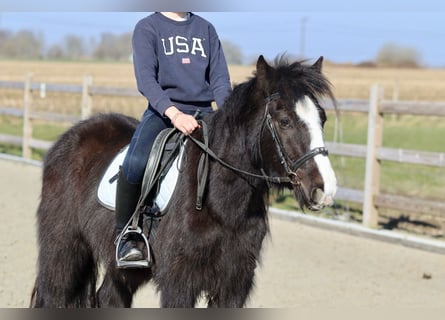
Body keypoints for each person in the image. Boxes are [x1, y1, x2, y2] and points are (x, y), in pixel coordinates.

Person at [115, 12, 232, 266]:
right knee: (135, 162)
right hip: (164, 112)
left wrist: (227, 115)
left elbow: (220, 80)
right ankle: (127, 234)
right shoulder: (148, 27)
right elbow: (146, 80)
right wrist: (175, 114)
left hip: (207, 114)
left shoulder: (206, 29)